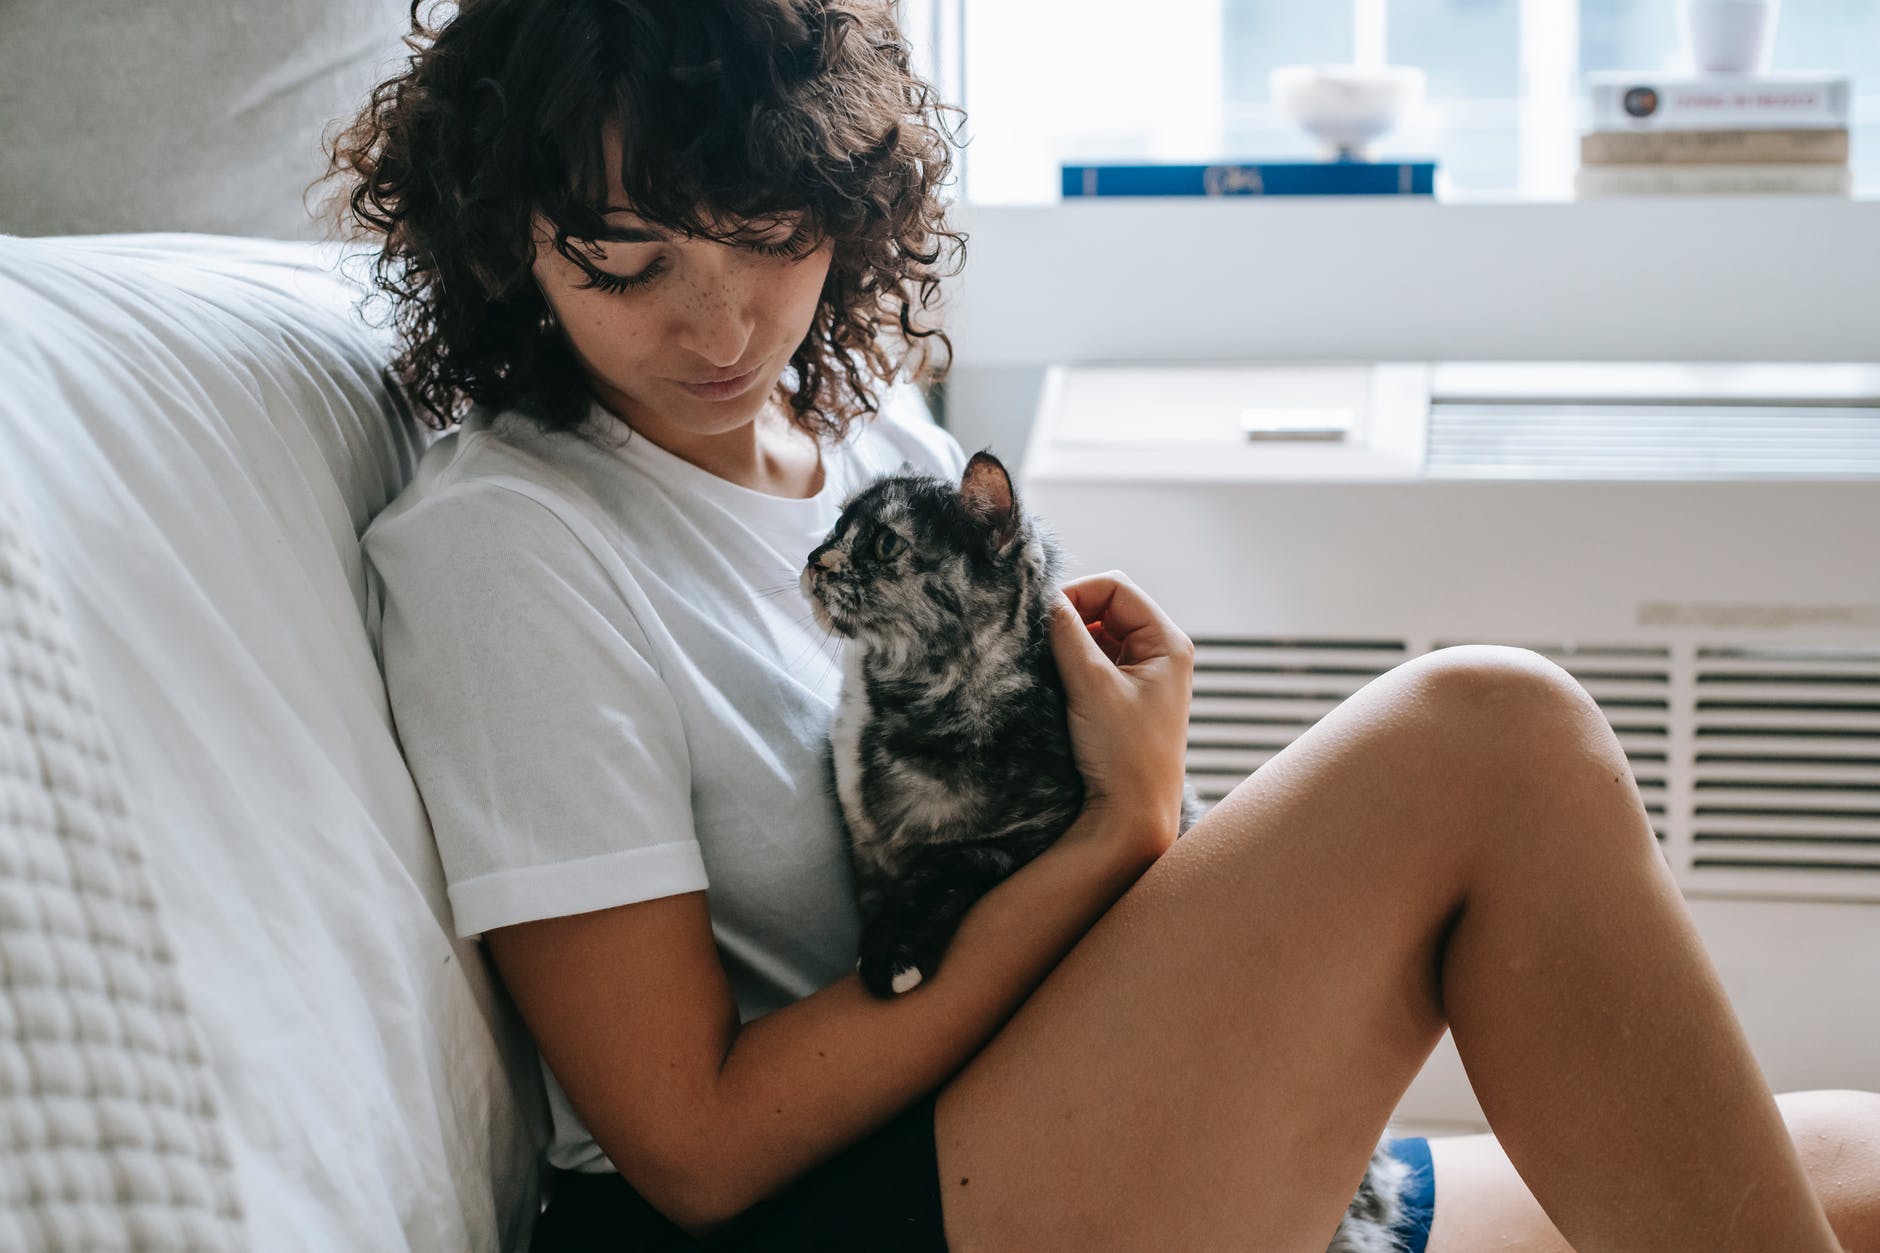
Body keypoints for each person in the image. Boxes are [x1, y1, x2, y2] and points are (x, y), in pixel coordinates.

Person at [325, 1, 1880, 1249]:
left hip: (1055, 1111)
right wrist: (1110, 837)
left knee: (1862, 1162)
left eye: (767, 230)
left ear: (846, 198)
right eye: (631, 261)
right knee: (1492, 732)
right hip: (837, 1208)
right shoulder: (507, 544)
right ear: (510, 242)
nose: (722, 324)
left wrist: (1133, 798)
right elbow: (695, 1147)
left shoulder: (888, 449)